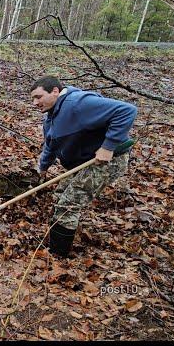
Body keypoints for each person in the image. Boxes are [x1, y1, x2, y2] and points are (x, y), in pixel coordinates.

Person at [30, 76, 137, 257]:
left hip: (105, 162)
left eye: (38, 97)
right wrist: (43, 166)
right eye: (33, 98)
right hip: (82, 163)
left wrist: (108, 147)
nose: (35, 103)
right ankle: (64, 234)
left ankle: (57, 256)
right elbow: (50, 144)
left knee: (68, 204)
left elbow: (127, 111)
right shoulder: (50, 117)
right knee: (60, 194)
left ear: (55, 91)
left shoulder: (77, 104)